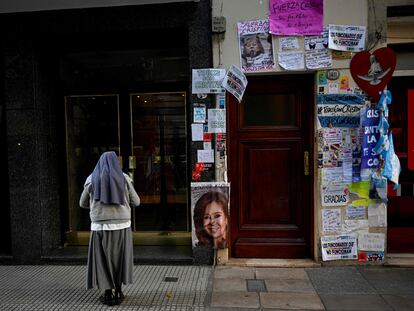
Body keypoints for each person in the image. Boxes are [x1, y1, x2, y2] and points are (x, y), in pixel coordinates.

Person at [79, 151, 140, 306]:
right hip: (122, 226)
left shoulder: (91, 179)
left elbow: (82, 203)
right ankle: (119, 291)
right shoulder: (124, 178)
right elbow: (136, 202)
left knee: (102, 260)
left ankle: (107, 294)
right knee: (120, 259)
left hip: (99, 227)